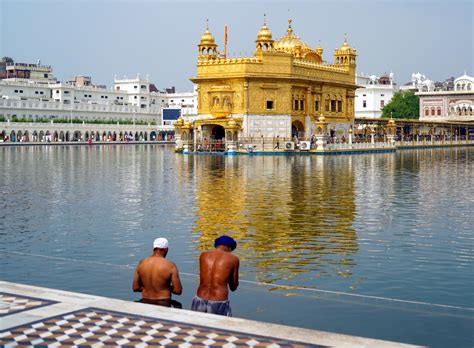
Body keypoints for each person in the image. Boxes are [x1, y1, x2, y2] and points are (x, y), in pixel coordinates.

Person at [191, 235, 239, 316]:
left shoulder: (203, 255)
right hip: (218, 301)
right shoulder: (233, 259)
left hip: (200, 299)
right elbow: (233, 287)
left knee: (197, 326)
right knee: (219, 327)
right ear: (229, 247)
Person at [133, 237, 183, 308]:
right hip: (164, 302)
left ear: (153, 249)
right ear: (166, 249)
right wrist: (165, 287)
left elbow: (135, 288)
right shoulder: (170, 266)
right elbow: (178, 290)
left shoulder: (141, 263)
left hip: (145, 301)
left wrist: (148, 287)